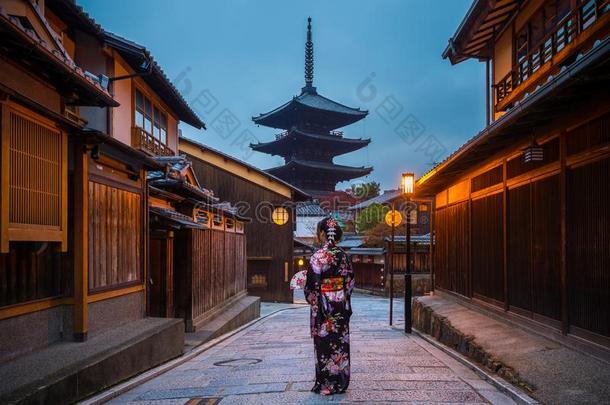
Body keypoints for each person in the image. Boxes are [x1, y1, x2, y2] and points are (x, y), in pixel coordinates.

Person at [304, 217, 355, 395]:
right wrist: (342, 299)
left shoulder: (317, 257)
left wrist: (314, 299)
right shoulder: (344, 256)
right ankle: (340, 381)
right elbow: (349, 283)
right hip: (340, 303)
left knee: (324, 343)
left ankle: (325, 382)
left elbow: (311, 287)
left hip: (322, 306)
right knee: (340, 342)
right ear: (337, 234)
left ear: (323, 234)